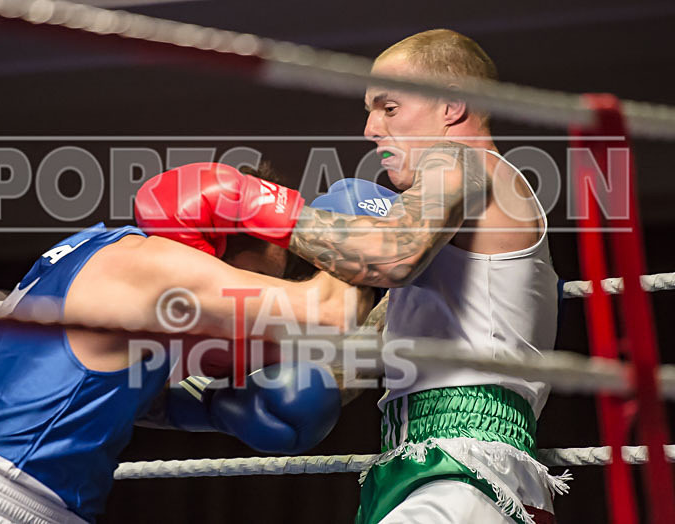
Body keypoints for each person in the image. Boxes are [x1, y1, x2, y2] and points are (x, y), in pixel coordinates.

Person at [135, 29, 565, 524]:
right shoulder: (452, 251)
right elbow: (351, 364)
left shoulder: (461, 160)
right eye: (370, 111)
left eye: (389, 107)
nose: (370, 129)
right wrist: (182, 401)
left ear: (452, 105)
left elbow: (393, 255)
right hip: (443, 465)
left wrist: (251, 204)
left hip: (463, 471)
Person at [0, 166, 364, 524]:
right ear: (227, 250)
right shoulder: (156, 268)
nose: (257, 303)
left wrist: (213, 409)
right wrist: (364, 230)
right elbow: (330, 310)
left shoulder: (94, 252)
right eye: (260, 278)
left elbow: (71, 392)